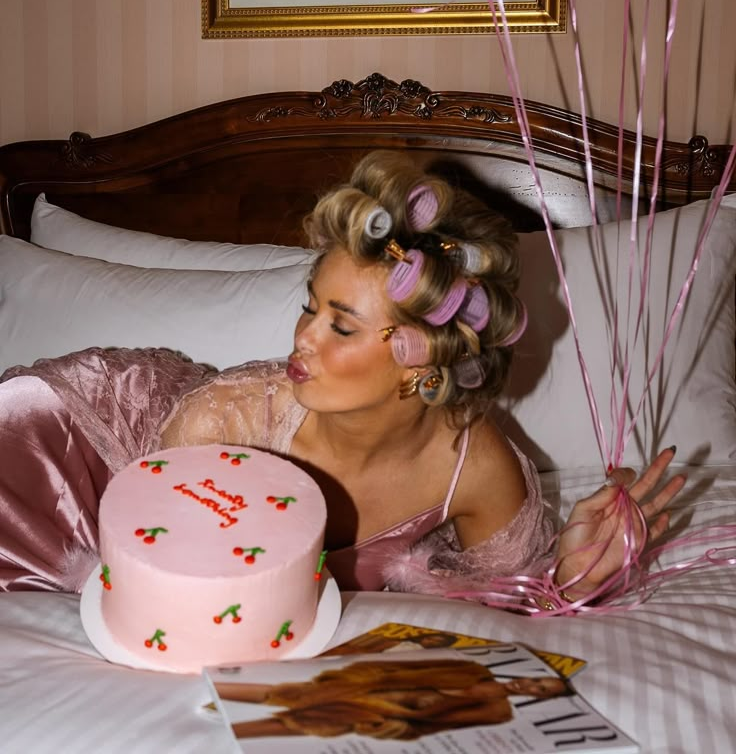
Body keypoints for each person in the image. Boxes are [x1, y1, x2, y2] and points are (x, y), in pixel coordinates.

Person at [0, 152, 685, 602]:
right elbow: (173, 599)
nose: (303, 337)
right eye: (310, 308)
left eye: (342, 325)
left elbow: (513, 600)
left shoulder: (473, 464)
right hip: (61, 449)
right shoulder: (222, 425)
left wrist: (573, 567)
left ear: (419, 360)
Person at [214, 658, 569, 740]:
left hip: (382, 714)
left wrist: (396, 728)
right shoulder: (472, 667)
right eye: (537, 680)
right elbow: (404, 665)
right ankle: (210, 692)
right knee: (275, 692)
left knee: (288, 725)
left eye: (540, 691)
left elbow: (441, 725)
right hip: (364, 685)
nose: (530, 686)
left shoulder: (497, 712)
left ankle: (219, 738)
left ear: (538, 701)